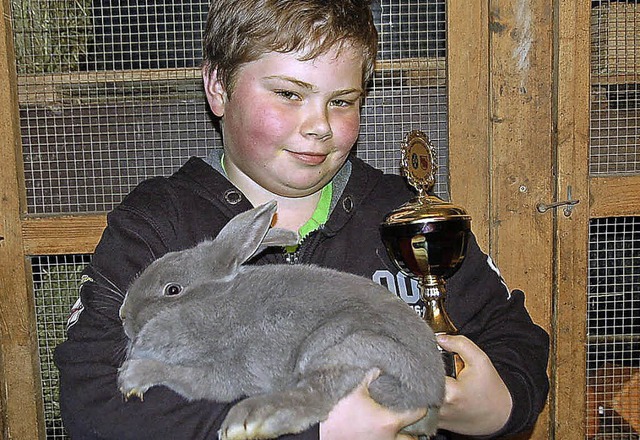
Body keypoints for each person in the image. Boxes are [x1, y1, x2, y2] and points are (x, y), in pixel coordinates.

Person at [54, 0, 550, 438]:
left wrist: (494, 406)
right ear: (218, 88)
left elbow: (515, 337)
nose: (319, 126)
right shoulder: (155, 227)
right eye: (290, 94)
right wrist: (311, 431)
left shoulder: (402, 216)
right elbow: (94, 399)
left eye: (342, 101)